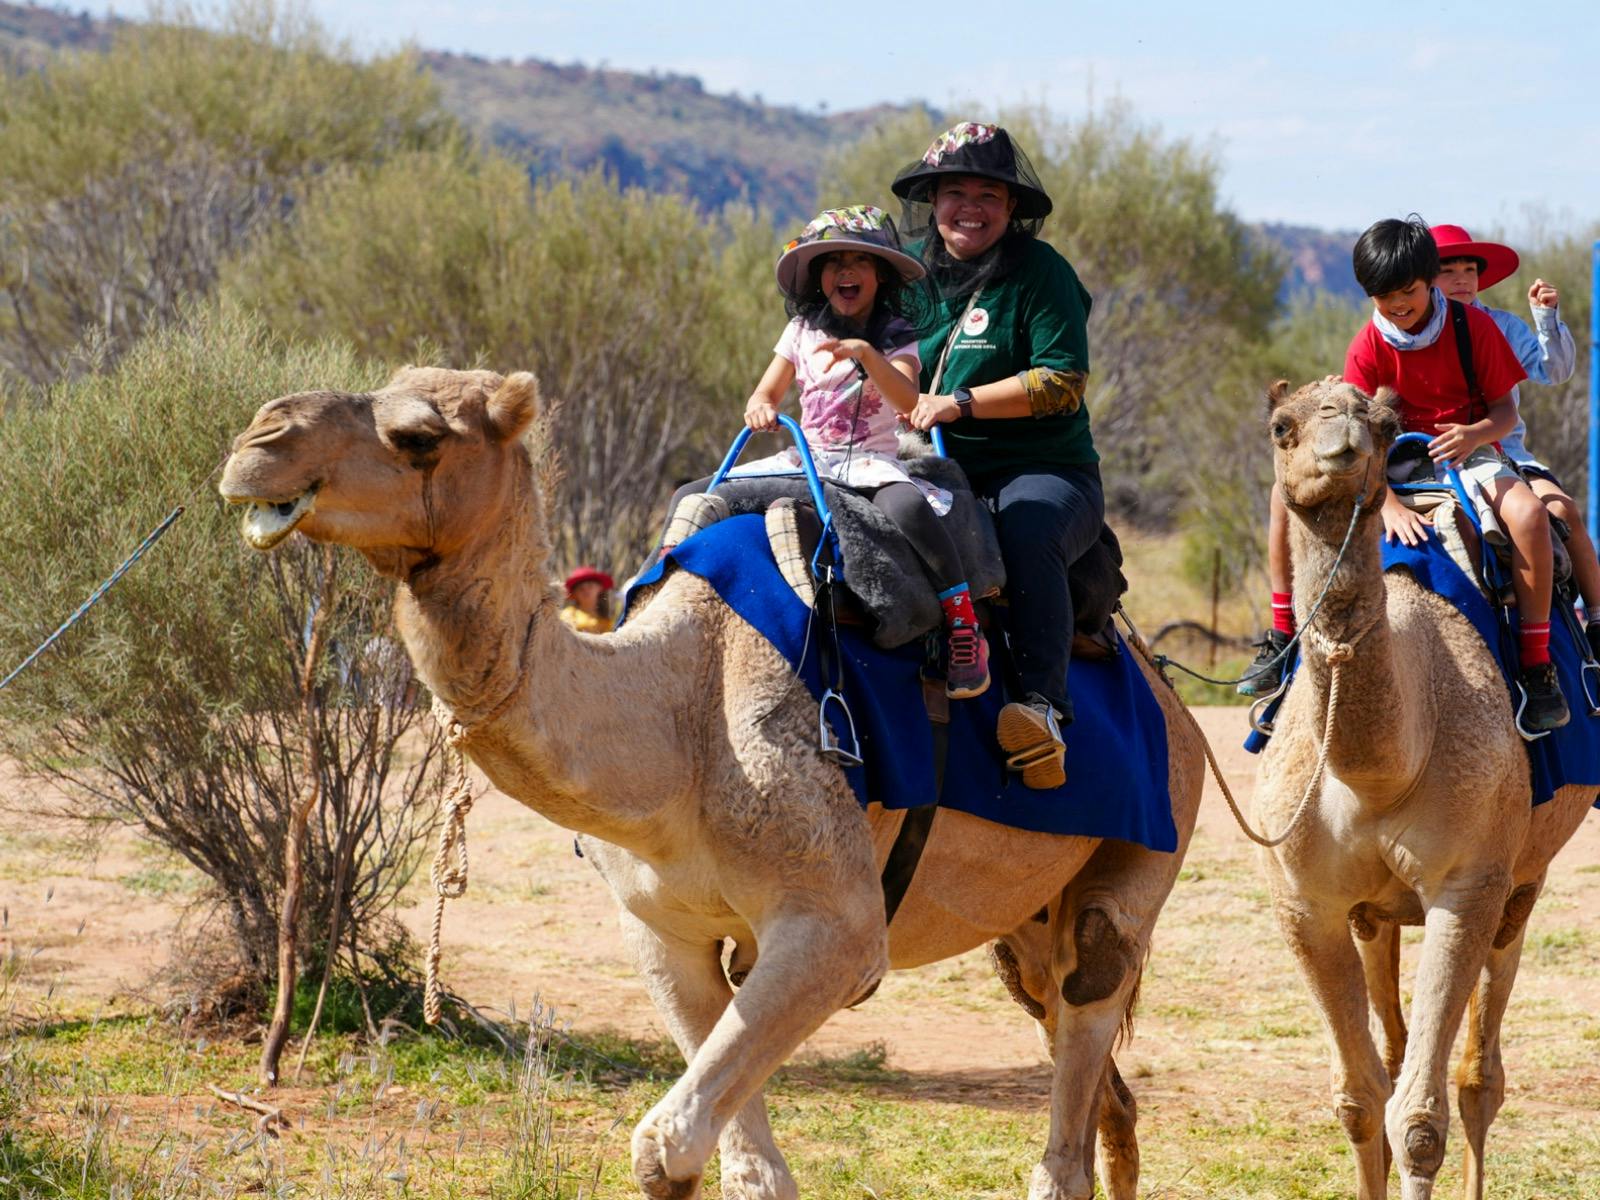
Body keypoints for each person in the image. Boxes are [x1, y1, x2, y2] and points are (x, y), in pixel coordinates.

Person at [663, 205, 991, 698]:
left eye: (858, 261)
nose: (845, 272)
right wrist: (759, 409)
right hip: (808, 456)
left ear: (879, 273)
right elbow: (764, 393)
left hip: (870, 461)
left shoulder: (898, 334)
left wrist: (866, 355)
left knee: (907, 508)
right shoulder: (800, 330)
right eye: (833, 262)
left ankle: (963, 622)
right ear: (819, 276)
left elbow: (906, 401)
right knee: (693, 492)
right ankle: (655, 589)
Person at [889, 121, 1100, 788]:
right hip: (923, 464)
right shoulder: (903, 276)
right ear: (932, 200)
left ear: (1012, 209)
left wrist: (963, 402)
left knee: (1026, 529)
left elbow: (1061, 382)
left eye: (989, 194)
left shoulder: (1042, 274)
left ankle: (1043, 711)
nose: (970, 208)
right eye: (955, 192)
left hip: (1042, 471)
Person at [1340, 216, 1567, 730]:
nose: (1398, 306)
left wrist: (1472, 435)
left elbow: (1506, 414)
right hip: (1395, 462)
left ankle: (1536, 665)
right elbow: (1366, 437)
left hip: (1469, 449)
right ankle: (1288, 641)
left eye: (1408, 292)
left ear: (1428, 281)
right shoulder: (1367, 346)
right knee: (1295, 506)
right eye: (1383, 297)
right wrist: (1387, 503)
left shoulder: (1474, 327)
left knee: (1531, 516)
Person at [1430, 223, 1598, 655]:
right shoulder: (1412, 334)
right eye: (1450, 270)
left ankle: (1594, 621)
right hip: (1431, 460)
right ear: (1426, 278)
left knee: (1562, 510)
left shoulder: (1501, 325)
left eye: (1470, 269)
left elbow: (1554, 371)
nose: (1463, 278)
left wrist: (1546, 319)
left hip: (1506, 455)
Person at [559, 565, 614, 634]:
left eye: (590, 586)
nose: (586, 591)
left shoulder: (606, 620)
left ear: (600, 588)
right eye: (580, 589)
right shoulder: (567, 614)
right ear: (574, 594)